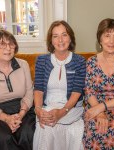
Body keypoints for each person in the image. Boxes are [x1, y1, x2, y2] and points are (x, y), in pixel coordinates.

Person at [33, 20, 86, 150]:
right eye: (55, 36)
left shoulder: (79, 61)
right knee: (46, 127)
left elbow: (76, 92)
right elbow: (38, 90)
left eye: (64, 35)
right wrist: (38, 110)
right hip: (47, 107)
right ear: (51, 40)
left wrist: (62, 112)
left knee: (74, 128)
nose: (60, 40)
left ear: (70, 37)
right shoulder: (42, 61)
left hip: (71, 108)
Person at [83, 18, 114, 149]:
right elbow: (89, 91)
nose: (111, 41)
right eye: (107, 36)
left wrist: (102, 107)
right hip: (96, 107)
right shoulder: (91, 62)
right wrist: (99, 112)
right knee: (95, 128)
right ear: (100, 40)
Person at [0, 30, 35, 150]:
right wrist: (7, 118)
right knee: (3, 137)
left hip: (23, 109)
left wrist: (20, 115)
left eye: (11, 44)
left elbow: (29, 92)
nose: (8, 48)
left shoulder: (23, 65)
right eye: (2, 44)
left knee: (27, 133)